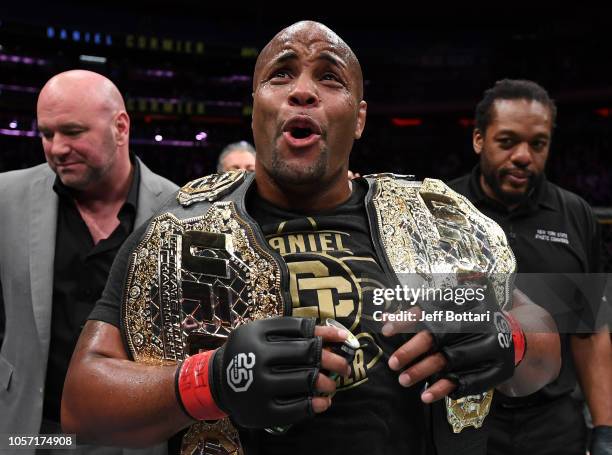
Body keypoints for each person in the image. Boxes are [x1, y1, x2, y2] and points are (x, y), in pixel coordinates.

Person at [62, 23, 561, 455]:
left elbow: (546, 343)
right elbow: (81, 403)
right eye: (281, 74)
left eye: (330, 76)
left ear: (360, 118)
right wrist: (210, 382)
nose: (303, 91)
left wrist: (508, 338)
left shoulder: (436, 219)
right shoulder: (180, 233)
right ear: (254, 108)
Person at [0, 70, 177, 455]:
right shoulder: (5, 197)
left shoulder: (178, 208)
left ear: (120, 127)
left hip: (134, 437)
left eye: (73, 131)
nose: (57, 148)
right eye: (47, 134)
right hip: (30, 431)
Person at [449, 79, 612, 455]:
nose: (523, 156)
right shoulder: (441, 208)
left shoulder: (575, 214)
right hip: (464, 417)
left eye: (537, 144)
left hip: (553, 424)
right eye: (507, 142)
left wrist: (604, 427)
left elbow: (589, 330)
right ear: (479, 140)